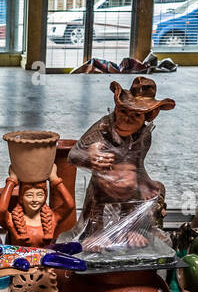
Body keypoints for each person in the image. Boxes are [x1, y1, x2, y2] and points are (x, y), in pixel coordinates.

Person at [67, 77, 174, 247]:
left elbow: (138, 165)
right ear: (116, 109)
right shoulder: (102, 128)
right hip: (102, 188)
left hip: (128, 188)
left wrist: (146, 185)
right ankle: (95, 232)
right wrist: (91, 157)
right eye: (123, 111)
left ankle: (130, 228)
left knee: (154, 189)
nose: (126, 120)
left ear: (148, 116)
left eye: (136, 115)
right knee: (100, 190)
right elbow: (73, 155)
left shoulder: (144, 135)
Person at [0, 174, 74, 247]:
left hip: (43, 260)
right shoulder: (12, 219)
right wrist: (11, 181)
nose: (35, 200)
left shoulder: (52, 218)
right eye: (29, 195)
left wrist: (55, 180)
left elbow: (69, 205)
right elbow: (2, 210)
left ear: (45, 197)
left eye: (40, 195)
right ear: (21, 198)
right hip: (19, 260)